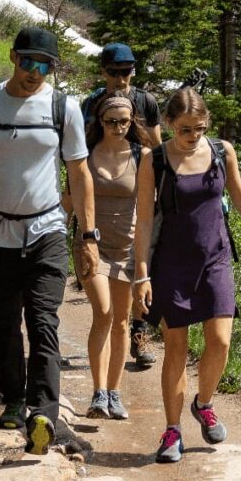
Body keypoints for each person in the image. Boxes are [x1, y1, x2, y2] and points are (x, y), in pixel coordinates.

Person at [0, 25, 97, 454]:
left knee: (43, 320)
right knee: (5, 322)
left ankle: (43, 412)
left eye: (45, 65)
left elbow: (79, 174)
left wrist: (88, 235)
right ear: (12, 57)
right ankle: (13, 398)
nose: (35, 71)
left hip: (46, 230)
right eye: (28, 61)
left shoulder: (64, 108)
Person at [132, 87, 241, 464]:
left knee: (220, 341)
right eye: (185, 129)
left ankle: (204, 403)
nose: (192, 136)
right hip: (171, 264)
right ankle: (172, 430)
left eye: (199, 128)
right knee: (176, 350)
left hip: (216, 258)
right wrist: (142, 275)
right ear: (169, 124)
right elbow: (145, 220)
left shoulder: (221, 152)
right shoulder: (154, 161)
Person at [76, 93, 158, 420]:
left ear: (132, 121)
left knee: (123, 322)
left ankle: (114, 392)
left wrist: (144, 262)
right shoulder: (84, 154)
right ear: (99, 121)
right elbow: (72, 199)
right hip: (92, 244)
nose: (118, 127)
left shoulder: (143, 156)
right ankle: (98, 393)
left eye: (124, 121)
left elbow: (149, 210)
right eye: (111, 121)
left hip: (127, 247)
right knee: (104, 313)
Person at [82, 42, 163, 368]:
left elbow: (157, 146)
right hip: (101, 192)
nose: (120, 78)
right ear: (104, 72)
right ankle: (125, 332)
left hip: (137, 189)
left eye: (125, 71)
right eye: (114, 72)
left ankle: (138, 331)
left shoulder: (146, 101)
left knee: (139, 265)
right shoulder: (91, 103)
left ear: (133, 71)